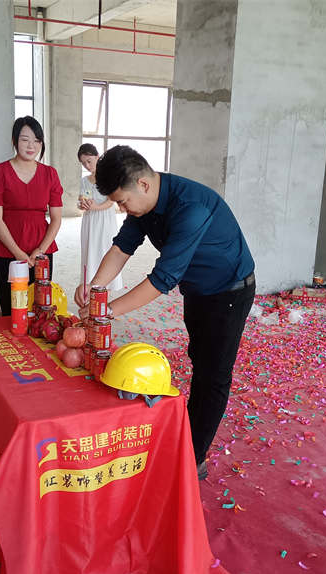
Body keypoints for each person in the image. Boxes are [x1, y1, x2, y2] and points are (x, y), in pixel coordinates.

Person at [74, 145, 255, 480]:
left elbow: (162, 279)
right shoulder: (144, 205)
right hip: (197, 289)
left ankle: (193, 459)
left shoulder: (191, 207)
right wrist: (94, 287)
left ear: (143, 184)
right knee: (199, 360)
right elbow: (122, 247)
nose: (122, 209)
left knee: (213, 376)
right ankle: (188, 435)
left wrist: (107, 311)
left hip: (228, 291)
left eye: (122, 202)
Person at [0, 116, 63, 315]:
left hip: (41, 248)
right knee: (11, 308)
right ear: (14, 140)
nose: (31, 146)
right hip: (7, 248)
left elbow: (56, 219)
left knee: (40, 308)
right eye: (25, 139)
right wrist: (19, 254)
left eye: (37, 140)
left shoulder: (50, 174)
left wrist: (40, 251)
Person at [77, 143, 122, 292]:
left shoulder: (108, 177)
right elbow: (82, 198)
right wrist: (82, 204)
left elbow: (111, 201)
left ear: (97, 157)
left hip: (105, 220)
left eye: (89, 161)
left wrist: (95, 207)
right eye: (83, 163)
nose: (87, 165)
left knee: (105, 249)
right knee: (90, 251)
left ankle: (106, 284)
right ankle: (90, 284)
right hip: (90, 221)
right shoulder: (84, 180)